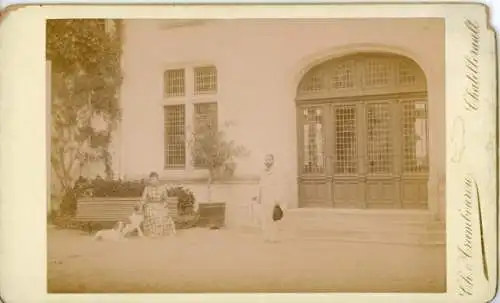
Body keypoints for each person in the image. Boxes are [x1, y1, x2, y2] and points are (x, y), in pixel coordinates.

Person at [252, 154, 286, 243]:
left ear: (273, 161)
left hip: (273, 197)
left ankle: (273, 237)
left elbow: (280, 185)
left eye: (269, 160)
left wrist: (278, 198)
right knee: (265, 217)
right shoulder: (262, 172)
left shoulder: (277, 172)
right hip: (264, 197)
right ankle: (266, 236)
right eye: (266, 160)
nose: (267, 162)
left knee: (273, 217)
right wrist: (258, 197)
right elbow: (260, 185)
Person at [138, 172, 176, 238]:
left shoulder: (162, 188)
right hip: (150, 205)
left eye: (154, 179)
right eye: (151, 180)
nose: (152, 181)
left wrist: (164, 205)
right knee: (151, 213)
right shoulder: (147, 188)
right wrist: (140, 207)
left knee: (162, 213)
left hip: (160, 205)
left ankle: (162, 233)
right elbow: (143, 199)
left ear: (158, 180)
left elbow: (166, 199)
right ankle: (152, 233)